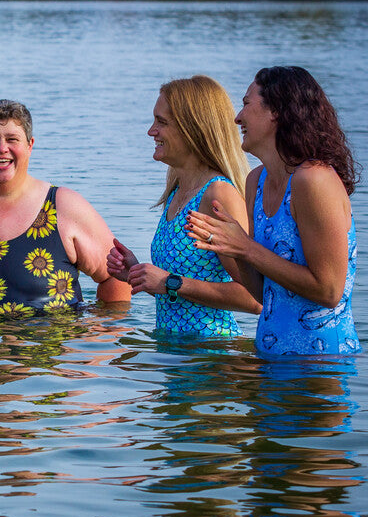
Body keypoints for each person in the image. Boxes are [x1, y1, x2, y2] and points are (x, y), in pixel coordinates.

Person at [187, 66, 360, 356]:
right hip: (268, 359)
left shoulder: (314, 179)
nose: (237, 117)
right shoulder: (255, 181)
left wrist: (247, 248)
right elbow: (260, 294)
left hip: (321, 364)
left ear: (276, 111)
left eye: (245, 104)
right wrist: (234, 247)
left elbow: (329, 291)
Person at [0, 100, 130, 316]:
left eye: (12, 139)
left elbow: (117, 277)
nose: (1, 148)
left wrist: (96, 340)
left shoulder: (64, 206)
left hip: (50, 345)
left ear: (30, 145)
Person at [106, 76, 260, 335]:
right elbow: (179, 294)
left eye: (162, 122)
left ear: (193, 129)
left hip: (211, 359)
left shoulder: (218, 194)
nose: (151, 131)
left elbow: (254, 299)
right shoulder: (177, 192)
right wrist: (139, 273)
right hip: (175, 358)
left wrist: (169, 282)